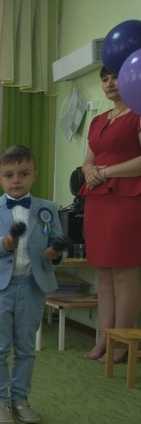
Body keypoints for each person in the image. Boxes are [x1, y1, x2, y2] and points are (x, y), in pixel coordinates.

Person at [0, 145, 65, 424]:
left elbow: (58, 243)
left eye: (23, 173)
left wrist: (56, 253)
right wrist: (4, 243)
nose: (16, 180)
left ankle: (20, 399)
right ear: (0, 177)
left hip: (32, 286)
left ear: (35, 174)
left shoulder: (48, 208)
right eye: (9, 175)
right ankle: (0, 400)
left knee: (25, 347)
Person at [79, 66, 141, 362]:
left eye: (114, 77)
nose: (109, 83)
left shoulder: (137, 114)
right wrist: (89, 170)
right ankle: (103, 339)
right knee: (102, 270)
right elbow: (88, 160)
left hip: (127, 198)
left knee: (124, 272)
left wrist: (105, 172)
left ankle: (121, 343)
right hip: (98, 200)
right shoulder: (98, 120)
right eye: (104, 79)